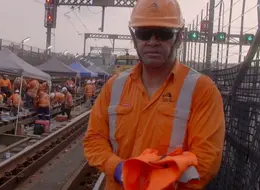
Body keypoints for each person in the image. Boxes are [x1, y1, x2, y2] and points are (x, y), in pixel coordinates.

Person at [83, 0, 225, 189]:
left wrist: (152, 179)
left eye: (164, 33)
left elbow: (207, 158)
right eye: (144, 33)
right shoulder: (114, 87)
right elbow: (94, 139)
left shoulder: (202, 90)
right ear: (134, 37)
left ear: (179, 37)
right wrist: (117, 168)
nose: (152, 41)